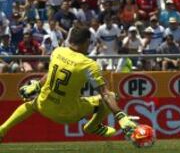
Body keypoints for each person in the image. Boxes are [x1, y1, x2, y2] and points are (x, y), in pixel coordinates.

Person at [0, 26, 137, 141]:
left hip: (44, 105)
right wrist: (121, 116)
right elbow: (106, 94)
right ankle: (93, 126)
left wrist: (36, 86)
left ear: (70, 40)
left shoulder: (58, 52)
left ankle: (2, 129)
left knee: (30, 104)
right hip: (67, 113)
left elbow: (52, 73)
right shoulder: (88, 64)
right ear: (87, 42)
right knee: (112, 96)